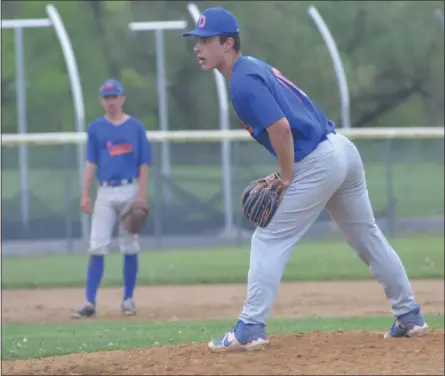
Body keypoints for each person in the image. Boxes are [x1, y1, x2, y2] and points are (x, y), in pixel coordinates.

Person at [182, 6, 429, 351]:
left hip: (318, 159)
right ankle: (409, 316)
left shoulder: (241, 80)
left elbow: (281, 128)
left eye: (205, 40)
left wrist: (285, 176)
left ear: (227, 44)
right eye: (197, 40)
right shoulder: (253, 68)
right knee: (367, 236)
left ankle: (250, 327)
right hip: (341, 149)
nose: (197, 47)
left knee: (267, 239)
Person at [71, 79, 152, 318]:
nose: (111, 102)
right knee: (96, 245)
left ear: (122, 99)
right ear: (101, 101)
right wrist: (85, 194)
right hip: (105, 191)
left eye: (115, 97)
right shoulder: (96, 128)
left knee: (129, 244)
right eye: (107, 98)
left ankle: (128, 299)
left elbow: (143, 164)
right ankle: (89, 302)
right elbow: (91, 162)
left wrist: (141, 196)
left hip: (130, 189)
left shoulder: (135, 127)